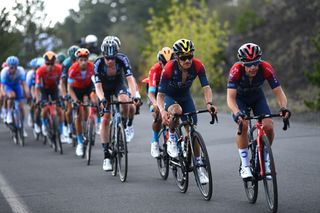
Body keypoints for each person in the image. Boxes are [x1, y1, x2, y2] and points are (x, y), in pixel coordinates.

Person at [226, 43, 291, 179]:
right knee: (243, 125)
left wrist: (283, 108)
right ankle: (245, 165)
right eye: (249, 64)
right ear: (242, 63)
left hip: (257, 98)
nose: (253, 67)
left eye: (256, 63)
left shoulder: (266, 68)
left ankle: (265, 159)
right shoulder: (236, 70)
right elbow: (230, 98)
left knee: (269, 126)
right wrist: (236, 112)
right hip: (240, 99)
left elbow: (279, 93)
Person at [157, 38, 217, 184]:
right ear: (177, 57)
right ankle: (171, 137)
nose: (187, 60)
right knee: (177, 110)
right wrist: (163, 112)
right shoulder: (169, 69)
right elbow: (160, 96)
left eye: (190, 56)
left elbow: (206, 87)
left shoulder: (197, 65)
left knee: (192, 131)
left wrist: (209, 103)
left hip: (185, 97)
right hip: (170, 97)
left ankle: (199, 166)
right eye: (183, 57)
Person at [94, 39, 138, 171]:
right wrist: (102, 99)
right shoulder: (98, 63)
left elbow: (130, 79)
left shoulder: (122, 59)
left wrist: (134, 95)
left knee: (125, 100)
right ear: (103, 55)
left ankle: (123, 126)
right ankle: (106, 155)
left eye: (112, 58)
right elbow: (97, 86)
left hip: (118, 84)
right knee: (105, 118)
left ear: (116, 55)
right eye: (107, 58)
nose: (110, 61)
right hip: (104, 89)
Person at [67, 48, 97, 156]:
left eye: (85, 59)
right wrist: (75, 100)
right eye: (81, 60)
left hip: (88, 87)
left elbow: (97, 83)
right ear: (77, 60)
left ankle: (92, 121)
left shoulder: (92, 67)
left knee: (93, 99)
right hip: (76, 89)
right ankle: (80, 142)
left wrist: (95, 98)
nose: (83, 62)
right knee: (78, 116)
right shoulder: (72, 69)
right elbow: (69, 88)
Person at [146, 47, 174, 158]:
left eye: (170, 63)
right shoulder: (155, 70)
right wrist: (155, 103)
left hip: (168, 93)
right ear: (160, 63)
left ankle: (175, 137)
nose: (167, 66)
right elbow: (151, 93)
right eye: (164, 64)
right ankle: (155, 141)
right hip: (155, 93)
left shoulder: (176, 68)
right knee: (157, 114)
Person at [35, 51, 63, 139]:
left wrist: (62, 95)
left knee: (59, 110)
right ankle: (44, 124)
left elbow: (62, 83)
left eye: (52, 63)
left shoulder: (59, 68)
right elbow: (37, 87)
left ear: (55, 62)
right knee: (44, 109)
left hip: (54, 89)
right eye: (48, 64)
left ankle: (61, 132)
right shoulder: (40, 70)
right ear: (45, 63)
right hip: (44, 90)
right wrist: (38, 99)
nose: (50, 66)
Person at [1, 56, 30, 136]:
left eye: (15, 67)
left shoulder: (20, 71)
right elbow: (2, 87)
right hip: (8, 86)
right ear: (8, 67)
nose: (13, 69)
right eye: (11, 67)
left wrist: (27, 93)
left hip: (17, 86)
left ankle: (22, 126)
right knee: (11, 96)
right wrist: (4, 94)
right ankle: (9, 114)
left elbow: (24, 84)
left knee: (21, 107)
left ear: (17, 67)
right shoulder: (4, 72)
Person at [60, 45, 80, 143]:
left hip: (79, 84)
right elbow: (62, 82)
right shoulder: (66, 63)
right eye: (73, 60)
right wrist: (64, 95)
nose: (75, 62)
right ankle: (68, 128)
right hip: (69, 86)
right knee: (69, 108)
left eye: (76, 59)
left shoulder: (82, 63)